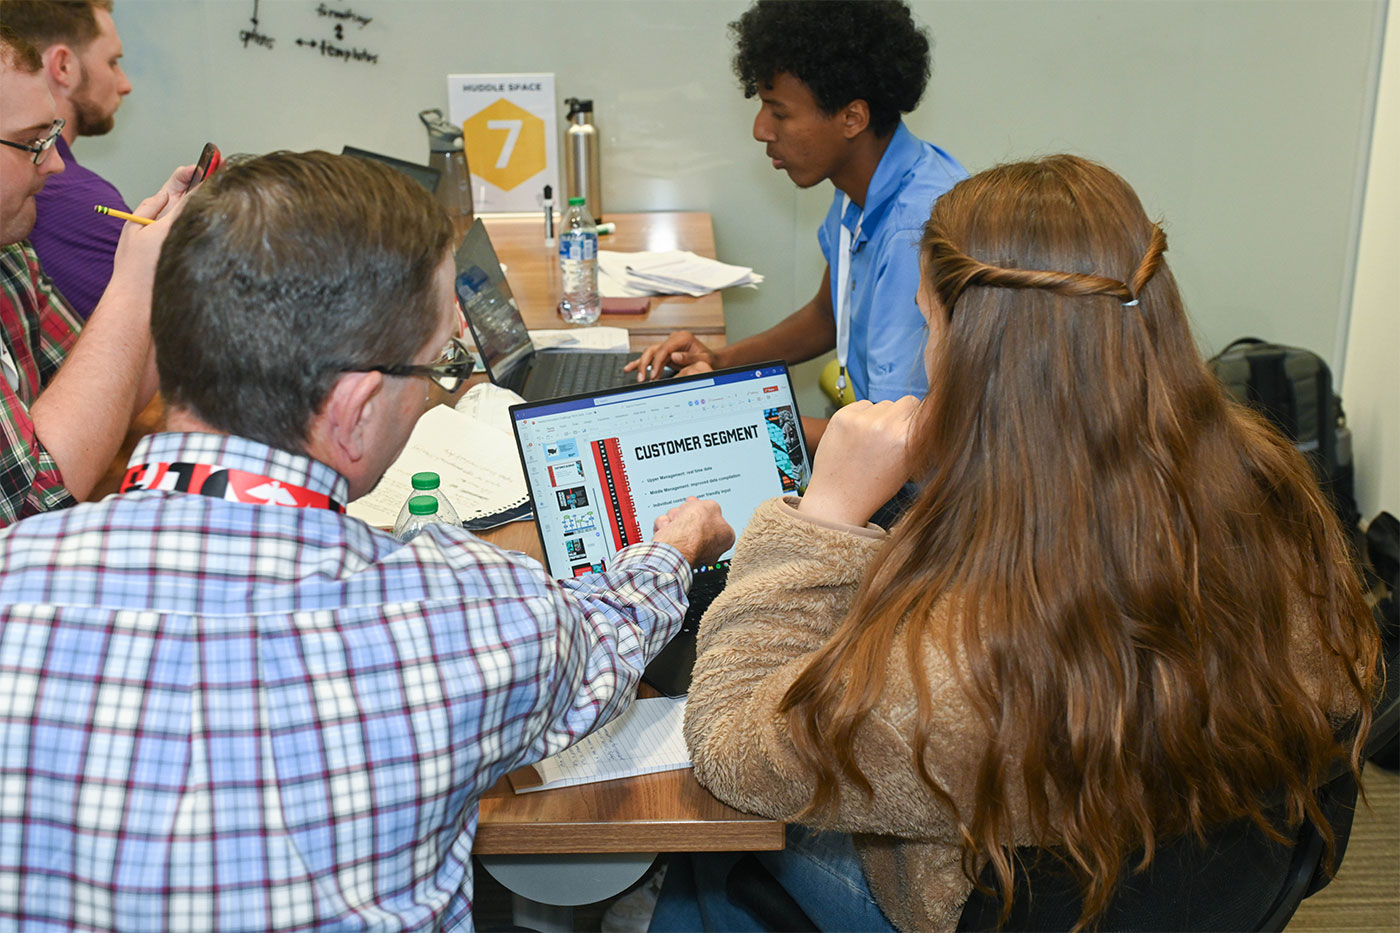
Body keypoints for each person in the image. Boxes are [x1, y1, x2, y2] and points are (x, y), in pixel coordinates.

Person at [0, 149, 734, 929]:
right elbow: (609, 636)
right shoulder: (459, 612)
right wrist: (676, 545)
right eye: (435, 368)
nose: (431, 400)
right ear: (352, 410)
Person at [656, 155, 1379, 931]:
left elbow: (731, 747)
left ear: (976, 354)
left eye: (930, 325)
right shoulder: (1273, 492)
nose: (929, 359)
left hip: (1001, 902)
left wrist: (824, 517)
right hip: (1197, 885)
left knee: (701, 855)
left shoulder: (966, 663)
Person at [627, 0, 965, 450]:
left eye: (779, 113)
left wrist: (729, 413)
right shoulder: (864, 185)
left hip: (912, 495)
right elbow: (827, 316)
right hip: (871, 445)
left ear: (852, 118)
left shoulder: (914, 233)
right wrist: (721, 361)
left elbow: (892, 443)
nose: (761, 129)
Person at [0, 23, 180, 526]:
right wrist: (133, 282)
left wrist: (145, 254)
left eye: (53, 135)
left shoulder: (11, 255)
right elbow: (32, 506)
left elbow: (105, 397)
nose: (56, 164)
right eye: (32, 142)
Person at [0, 0, 132, 318]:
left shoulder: (17, 259)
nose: (126, 84)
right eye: (112, 62)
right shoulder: (81, 200)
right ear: (62, 66)